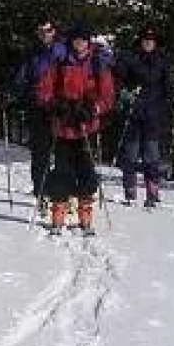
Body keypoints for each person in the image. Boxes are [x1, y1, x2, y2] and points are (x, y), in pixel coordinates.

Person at [36, 23, 114, 234]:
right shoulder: (60, 60)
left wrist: (93, 109)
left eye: (83, 39)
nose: (79, 43)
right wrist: (53, 104)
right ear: (71, 41)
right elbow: (44, 88)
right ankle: (58, 214)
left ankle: (85, 214)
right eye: (76, 39)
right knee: (61, 171)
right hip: (63, 126)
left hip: (86, 126)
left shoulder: (97, 63)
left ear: (89, 41)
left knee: (87, 171)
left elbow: (107, 97)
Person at [113, 26, 174, 206]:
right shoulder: (130, 58)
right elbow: (118, 78)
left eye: (151, 40)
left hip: (153, 114)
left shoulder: (161, 61)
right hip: (133, 112)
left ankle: (152, 191)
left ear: (156, 43)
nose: (148, 43)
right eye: (145, 40)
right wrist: (124, 93)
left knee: (151, 156)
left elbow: (167, 86)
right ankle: (130, 190)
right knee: (130, 155)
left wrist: (169, 102)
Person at [11, 19, 67, 197]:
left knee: (62, 153)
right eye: (40, 31)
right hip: (38, 107)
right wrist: (15, 93)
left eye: (48, 30)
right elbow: (21, 77)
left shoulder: (63, 51)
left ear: (54, 31)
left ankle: (61, 195)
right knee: (40, 153)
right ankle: (41, 192)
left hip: (60, 109)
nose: (44, 34)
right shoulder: (32, 52)